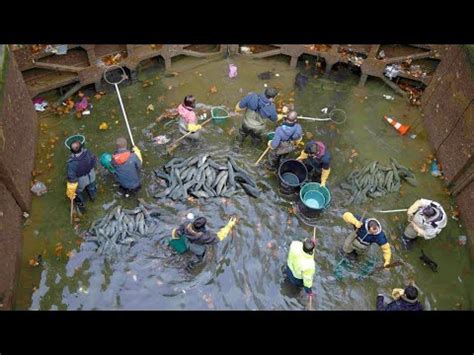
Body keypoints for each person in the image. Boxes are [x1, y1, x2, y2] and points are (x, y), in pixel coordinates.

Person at [169, 216, 237, 269]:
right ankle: (190, 266)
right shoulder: (204, 237)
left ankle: (174, 254)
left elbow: (177, 231)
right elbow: (219, 237)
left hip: (185, 243)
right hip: (196, 249)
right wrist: (229, 225)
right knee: (199, 258)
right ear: (202, 228)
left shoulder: (186, 225)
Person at [65, 138, 97, 212]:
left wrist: (71, 189)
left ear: (71, 150)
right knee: (92, 187)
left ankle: (81, 205)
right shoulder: (88, 152)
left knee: (77, 192)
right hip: (91, 175)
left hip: (81, 180)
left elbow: (72, 177)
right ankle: (93, 197)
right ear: (82, 147)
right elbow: (94, 160)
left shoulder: (72, 163)